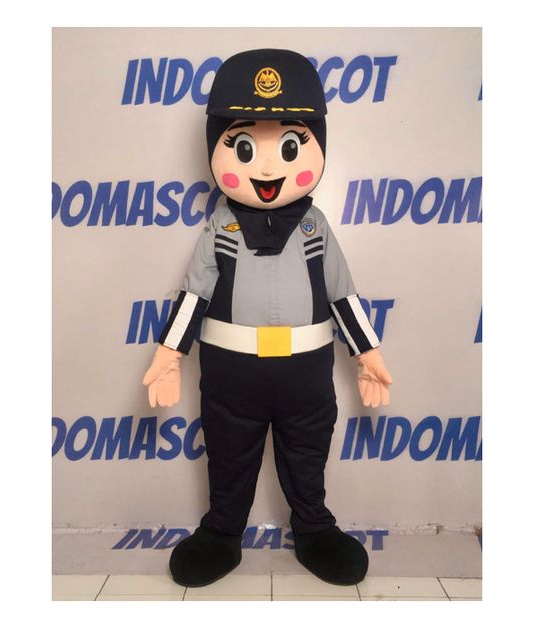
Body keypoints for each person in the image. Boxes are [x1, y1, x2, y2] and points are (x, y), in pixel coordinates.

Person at [142, 48, 393, 587]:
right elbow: (194, 294)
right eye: (243, 147)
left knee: (308, 452)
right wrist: (168, 356)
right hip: (232, 373)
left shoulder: (316, 226)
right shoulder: (220, 227)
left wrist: (368, 353)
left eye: (288, 146)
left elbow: (342, 293)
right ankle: (222, 532)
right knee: (229, 454)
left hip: (306, 373)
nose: (266, 167)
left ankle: (314, 528)